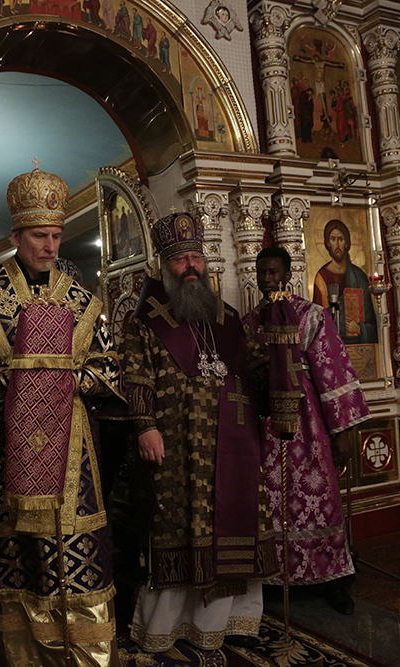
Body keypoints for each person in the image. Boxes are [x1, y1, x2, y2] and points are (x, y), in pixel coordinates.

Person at [0, 166, 125, 666]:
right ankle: (24, 656)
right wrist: (29, 382)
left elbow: (107, 366)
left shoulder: (83, 299)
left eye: (55, 235)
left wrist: (63, 379)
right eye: (39, 236)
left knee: (79, 552)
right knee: (22, 558)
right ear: (17, 236)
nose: (50, 245)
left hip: (75, 451)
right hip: (13, 450)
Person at [118, 211, 275, 652]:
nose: (190, 266)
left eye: (196, 257)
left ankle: (226, 622)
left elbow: (256, 369)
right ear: (163, 266)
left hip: (234, 444)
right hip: (175, 444)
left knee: (233, 519)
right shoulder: (146, 320)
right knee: (176, 524)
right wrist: (145, 425)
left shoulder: (226, 317)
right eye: (180, 259)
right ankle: (166, 627)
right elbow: (135, 376)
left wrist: (280, 365)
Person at [245, 246, 371, 615]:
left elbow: (331, 371)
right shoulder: (251, 322)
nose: (267, 279)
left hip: (309, 426)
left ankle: (333, 578)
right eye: (261, 272)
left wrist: (342, 430)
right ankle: (271, 577)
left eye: (273, 272)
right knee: (269, 504)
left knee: (320, 502)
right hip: (265, 426)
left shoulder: (311, 316)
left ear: (286, 273)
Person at [312, 219, 378, 344]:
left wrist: (359, 328)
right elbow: (316, 319)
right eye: (333, 239)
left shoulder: (359, 276)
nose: (337, 245)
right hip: (333, 343)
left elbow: (371, 319)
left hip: (357, 343)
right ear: (327, 244)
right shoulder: (321, 277)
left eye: (340, 239)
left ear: (347, 244)